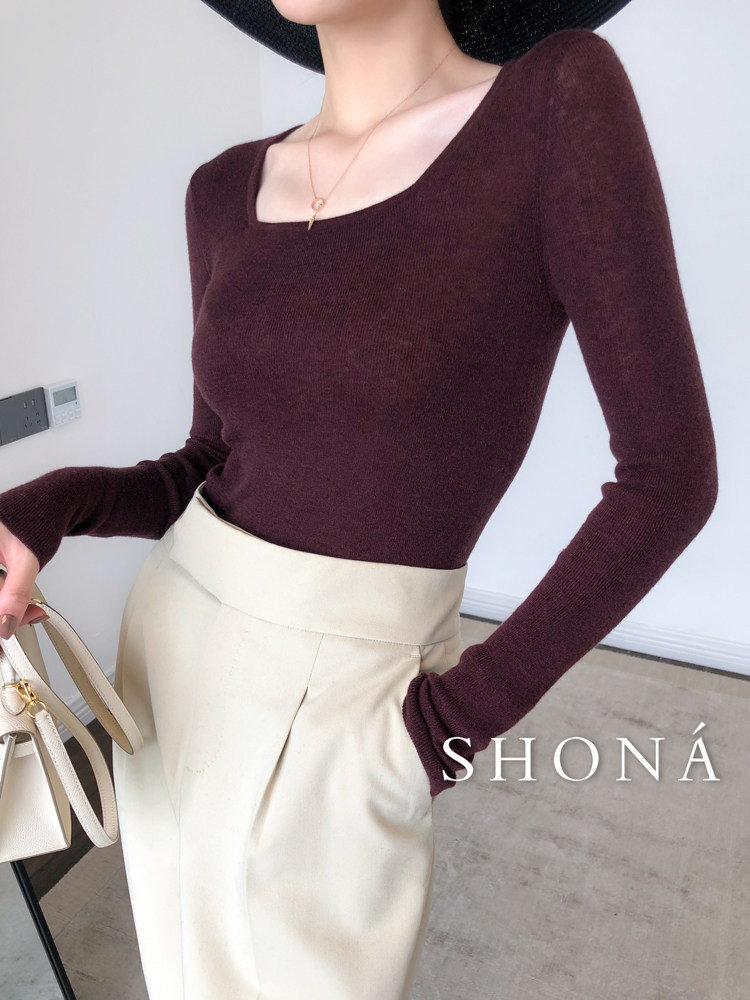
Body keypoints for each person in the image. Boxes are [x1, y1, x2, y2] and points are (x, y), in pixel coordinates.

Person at [0, 1, 718, 998]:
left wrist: (439, 735)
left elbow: (669, 477)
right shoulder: (221, 188)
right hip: (167, 659)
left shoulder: (552, 104)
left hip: (357, 705)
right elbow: (210, 458)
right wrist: (47, 505)